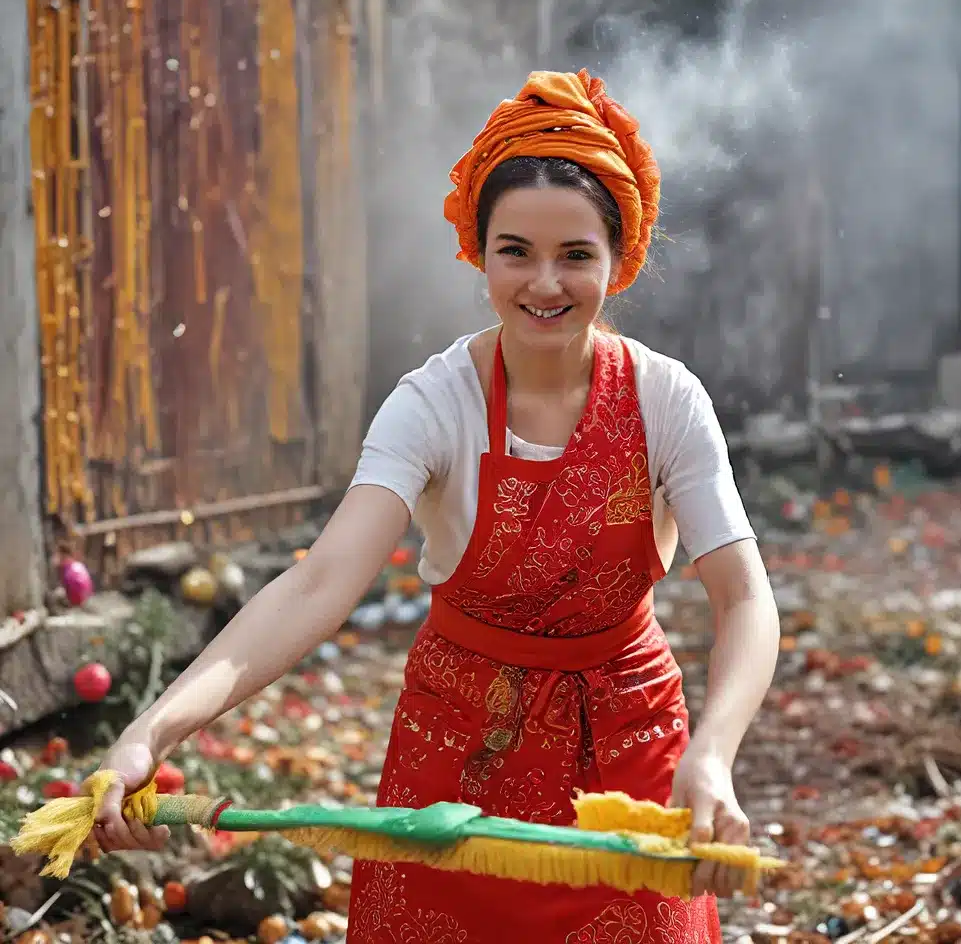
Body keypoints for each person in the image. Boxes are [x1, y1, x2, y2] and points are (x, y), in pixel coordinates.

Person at [90, 70, 780, 943]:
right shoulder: (431, 404)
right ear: (479, 252)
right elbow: (320, 584)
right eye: (515, 250)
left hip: (629, 756)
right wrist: (155, 729)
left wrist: (711, 757)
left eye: (577, 255)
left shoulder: (666, 402)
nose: (544, 283)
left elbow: (744, 598)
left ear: (620, 259)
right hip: (454, 756)